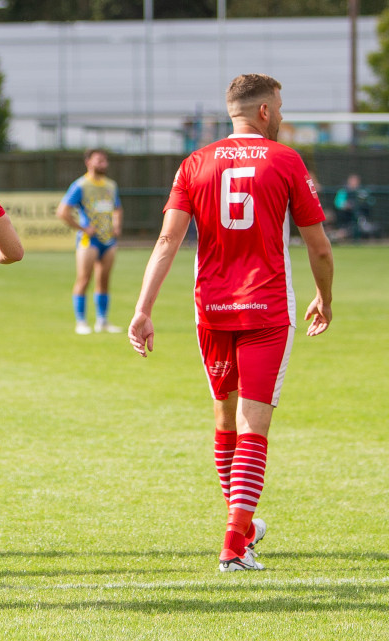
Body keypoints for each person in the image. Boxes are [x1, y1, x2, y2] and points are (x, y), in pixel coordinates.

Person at [128, 74, 334, 572]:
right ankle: (233, 548)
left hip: (211, 310)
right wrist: (325, 299)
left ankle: (240, 528)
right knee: (253, 426)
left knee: (225, 421)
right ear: (264, 112)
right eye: (280, 107)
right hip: (266, 310)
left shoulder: (194, 162)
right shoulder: (285, 160)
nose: (282, 115)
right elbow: (320, 246)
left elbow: (166, 242)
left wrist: (142, 308)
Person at [56, 148, 124, 334]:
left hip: (108, 240)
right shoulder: (80, 185)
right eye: (99, 160)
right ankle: (81, 322)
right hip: (89, 241)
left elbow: (117, 208)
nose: (103, 164)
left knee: (104, 280)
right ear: (88, 162)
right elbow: (62, 211)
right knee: (84, 279)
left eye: (105, 160)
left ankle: (102, 321)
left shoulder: (111, 185)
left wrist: (117, 225)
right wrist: (83, 228)